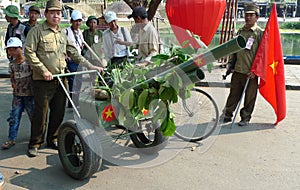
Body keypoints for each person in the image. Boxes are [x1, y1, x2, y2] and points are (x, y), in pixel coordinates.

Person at [24, 0, 103, 157]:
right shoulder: (37, 31)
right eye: (52, 12)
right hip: (42, 80)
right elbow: (29, 52)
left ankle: (52, 139)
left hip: (61, 78)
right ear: (46, 14)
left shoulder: (62, 33)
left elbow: (74, 53)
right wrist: (43, 70)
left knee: (58, 112)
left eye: (58, 13)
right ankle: (35, 143)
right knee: (41, 113)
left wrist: (90, 66)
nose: (56, 16)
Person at [220, 4, 263, 126]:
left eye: (251, 15)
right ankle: (227, 115)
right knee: (233, 94)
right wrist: (230, 65)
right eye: (246, 15)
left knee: (250, 97)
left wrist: (256, 71)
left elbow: (262, 55)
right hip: (238, 70)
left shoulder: (259, 33)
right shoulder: (240, 31)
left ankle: (245, 117)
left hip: (251, 73)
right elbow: (234, 50)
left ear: (257, 17)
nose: (248, 18)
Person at [1, 37, 34, 150]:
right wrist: (13, 84)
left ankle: (36, 138)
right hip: (18, 95)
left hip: (30, 95)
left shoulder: (29, 62)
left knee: (34, 117)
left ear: (21, 48)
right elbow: (12, 77)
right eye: (9, 50)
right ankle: (11, 139)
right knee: (14, 117)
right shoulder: (12, 64)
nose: (12, 52)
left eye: (14, 49)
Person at [65, 10, 84, 108]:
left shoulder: (80, 32)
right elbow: (62, 45)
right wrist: (65, 55)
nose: (78, 23)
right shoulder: (66, 31)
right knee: (73, 81)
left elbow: (81, 44)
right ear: (71, 21)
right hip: (71, 60)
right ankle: (72, 102)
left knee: (79, 81)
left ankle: (75, 100)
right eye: (76, 21)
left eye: (80, 21)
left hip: (79, 59)